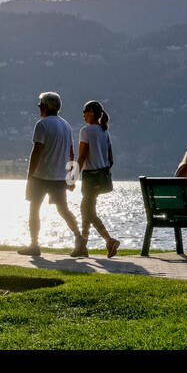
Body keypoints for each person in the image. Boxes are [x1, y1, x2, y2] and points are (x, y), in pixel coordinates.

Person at [18, 91, 80, 256]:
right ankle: (80, 239)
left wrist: (29, 174)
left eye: (40, 105)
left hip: (40, 176)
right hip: (59, 177)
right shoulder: (66, 126)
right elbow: (72, 153)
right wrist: (71, 178)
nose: (39, 108)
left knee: (34, 210)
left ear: (45, 106)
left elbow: (36, 151)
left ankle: (34, 245)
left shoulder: (42, 124)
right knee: (64, 210)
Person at [73, 100, 120, 258]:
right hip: (102, 177)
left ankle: (109, 240)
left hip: (90, 177)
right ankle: (82, 246)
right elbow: (111, 159)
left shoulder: (85, 131)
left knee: (87, 211)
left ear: (92, 112)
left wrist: (73, 176)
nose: (83, 114)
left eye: (85, 111)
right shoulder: (104, 131)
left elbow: (82, 155)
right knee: (87, 209)